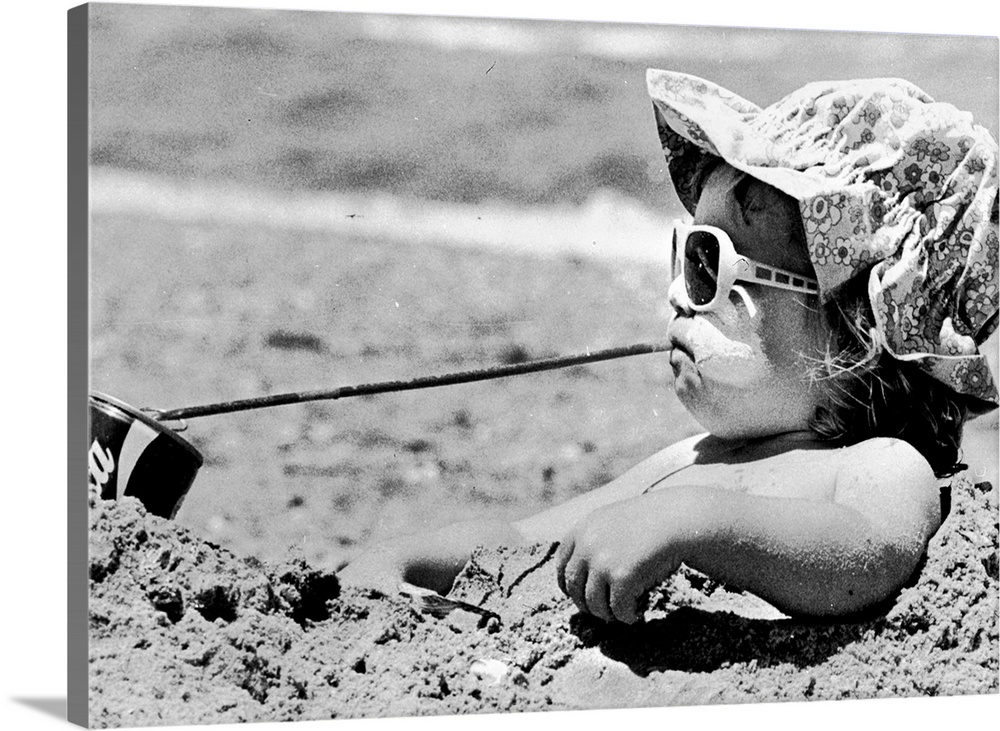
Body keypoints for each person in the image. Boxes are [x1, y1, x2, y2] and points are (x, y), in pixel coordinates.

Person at [337, 70, 999, 624]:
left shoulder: (879, 465)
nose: (681, 293)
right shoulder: (685, 460)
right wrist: (405, 557)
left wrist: (696, 521)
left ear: (852, 333)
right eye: (684, 252)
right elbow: (524, 539)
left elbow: (867, 551)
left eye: (708, 263)